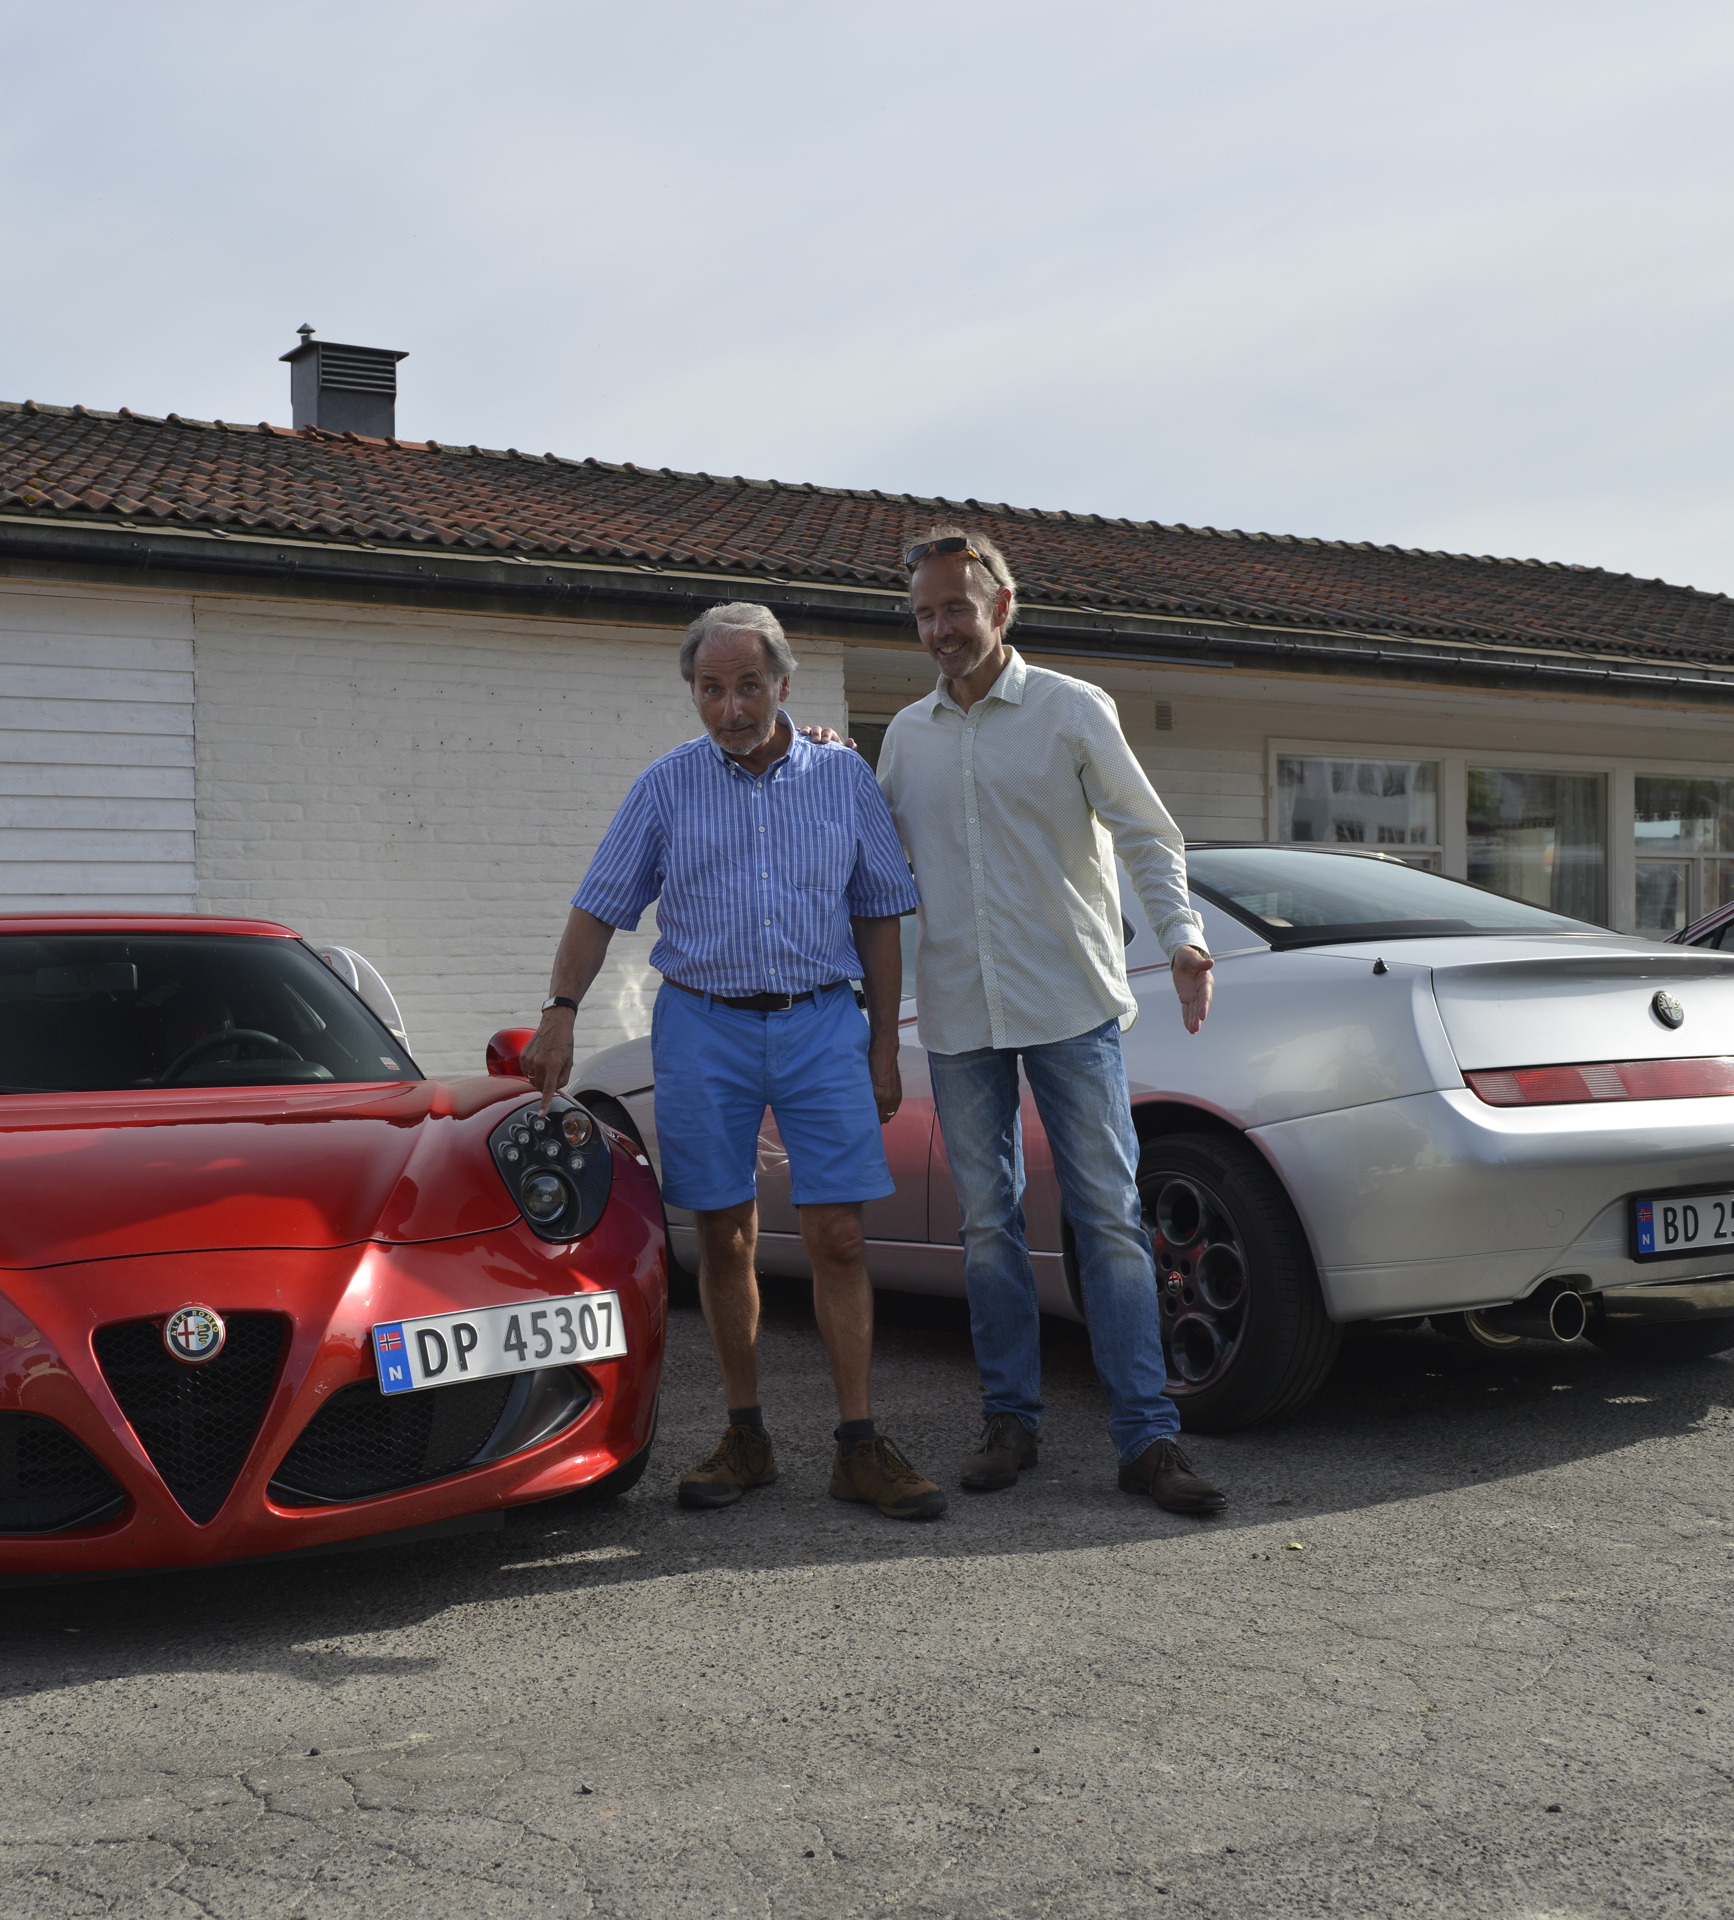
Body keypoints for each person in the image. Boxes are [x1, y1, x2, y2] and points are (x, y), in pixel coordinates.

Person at [523, 603, 946, 1521]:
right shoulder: (664, 786)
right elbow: (598, 907)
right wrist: (559, 1013)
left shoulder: (843, 776)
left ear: (783, 684)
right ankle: (745, 1436)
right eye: (710, 689)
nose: (730, 708)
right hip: (702, 1026)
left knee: (840, 1235)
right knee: (722, 1235)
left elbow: (879, 911)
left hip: (820, 1022)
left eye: (748, 685)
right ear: (692, 692)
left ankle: (858, 1444)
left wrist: (882, 1044)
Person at [875, 527, 1227, 1516]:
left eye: (955, 608)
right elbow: (872, 860)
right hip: (958, 1012)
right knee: (986, 1225)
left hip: (1070, 1002)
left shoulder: (1072, 709)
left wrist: (1184, 937)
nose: (940, 630)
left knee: (1107, 1218)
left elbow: (1147, 833)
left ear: (1001, 607)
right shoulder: (905, 737)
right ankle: (1010, 1422)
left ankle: (1146, 1440)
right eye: (924, 615)